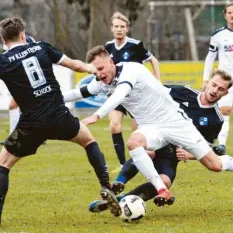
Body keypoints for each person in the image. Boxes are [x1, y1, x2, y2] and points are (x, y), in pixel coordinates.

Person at [62, 45, 233, 217]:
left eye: (100, 69)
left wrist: (97, 115)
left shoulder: (130, 70)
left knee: (215, 165)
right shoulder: (100, 82)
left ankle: (230, 163)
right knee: (135, 143)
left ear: (111, 63)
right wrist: (46, 99)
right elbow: (77, 93)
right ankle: (156, 189)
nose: (98, 74)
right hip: (152, 127)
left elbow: (121, 93)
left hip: (176, 124)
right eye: (94, 71)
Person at [0, 16, 122, 226]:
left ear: (3, 41)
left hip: (31, 123)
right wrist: (93, 69)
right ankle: (106, 186)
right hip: (59, 115)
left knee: (3, 164)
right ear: (23, 34)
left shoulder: (2, 61)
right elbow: (74, 65)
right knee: (89, 141)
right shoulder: (41, 48)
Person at [88, 70, 229, 213]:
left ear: (225, 94)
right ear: (207, 83)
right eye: (214, 85)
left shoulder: (216, 119)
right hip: (157, 138)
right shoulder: (181, 91)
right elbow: (151, 94)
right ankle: (118, 183)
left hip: (171, 155)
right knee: (146, 151)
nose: (215, 90)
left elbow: (207, 148)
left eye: (221, 89)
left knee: (165, 182)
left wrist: (189, 154)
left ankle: (119, 201)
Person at [105, 12, 160, 171]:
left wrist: (158, 81)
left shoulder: (135, 45)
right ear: (112, 28)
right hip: (117, 93)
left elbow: (153, 60)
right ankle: (123, 164)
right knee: (114, 126)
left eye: (122, 26)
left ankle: (143, 161)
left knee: (138, 132)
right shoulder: (107, 47)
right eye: (116, 26)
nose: (119, 29)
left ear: (127, 29)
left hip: (137, 95)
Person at [203, 3, 233, 153]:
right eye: (230, 12)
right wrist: (205, 79)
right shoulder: (218, 35)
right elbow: (210, 58)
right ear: (225, 15)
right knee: (225, 112)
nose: (232, 15)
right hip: (226, 82)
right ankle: (221, 145)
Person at [0, 35, 36, 146]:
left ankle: (14, 138)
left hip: (29, 83)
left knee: (14, 106)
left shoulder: (21, 43)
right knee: (28, 109)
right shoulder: (28, 40)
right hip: (30, 81)